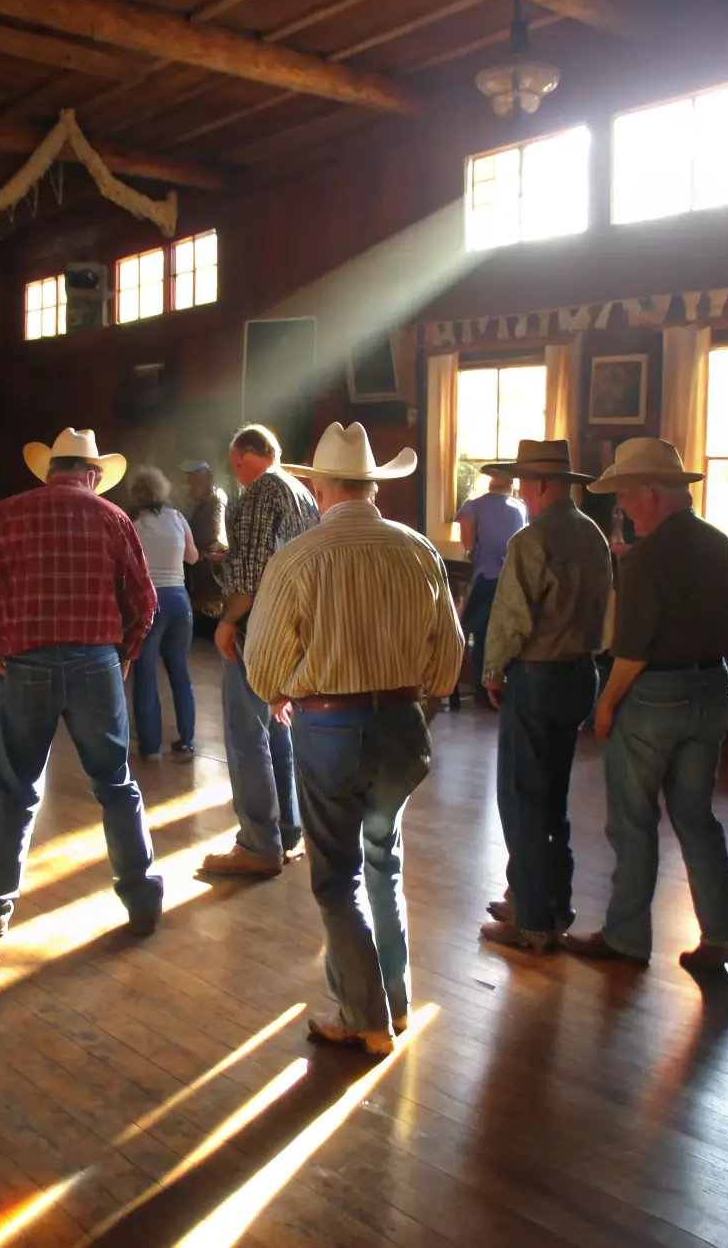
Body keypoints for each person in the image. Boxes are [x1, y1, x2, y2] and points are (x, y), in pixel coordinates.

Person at [246, 422, 463, 1057]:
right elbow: (448, 659)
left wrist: (285, 689)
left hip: (330, 729)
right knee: (384, 867)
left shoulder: (300, 557)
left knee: (335, 880)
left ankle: (364, 1016)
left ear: (323, 489)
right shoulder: (419, 550)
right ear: (372, 487)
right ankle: (393, 1002)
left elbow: (262, 664)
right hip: (402, 730)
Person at [0, 428, 163, 938]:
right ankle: (141, 898)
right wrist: (122, 654)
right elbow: (145, 602)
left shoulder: (2, 516)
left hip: (26, 665)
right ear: (94, 474)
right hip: (96, 664)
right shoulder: (113, 518)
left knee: (13, 789)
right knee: (115, 785)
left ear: (49, 471)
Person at [565, 438, 728, 972]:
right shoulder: (722, 545)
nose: (621, 507)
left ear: (650, 493)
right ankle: (723, 932)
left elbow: (632, 652)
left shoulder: (647, 558)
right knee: (696, 817)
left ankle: (626, 937)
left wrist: (606, 704)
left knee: (632, 820)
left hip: (654, 699)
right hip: (713, 692)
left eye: (625, 495)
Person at [478, 439, 612, 954]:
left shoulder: (531, 540)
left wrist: (492, 670)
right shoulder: (593, 534)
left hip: (537, 676)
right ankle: (552, 901)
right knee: (553, 795)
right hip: (582, 674)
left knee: (521, 798)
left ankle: (531, 920)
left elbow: (512, 616)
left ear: (536, 486)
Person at [200, 424, 319, 878]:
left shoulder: (259, 492)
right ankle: (288, 831)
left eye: (236, 464)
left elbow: (250, 576)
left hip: (259, 630)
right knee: (277, 729)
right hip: (297, 628)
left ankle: (257, 842)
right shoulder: (301, 492)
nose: (236, 475)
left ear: (249, 456)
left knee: (246, 736)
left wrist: (228, 622)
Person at [128, 466, 199, 761]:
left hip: (149, 603)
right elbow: (193, 558)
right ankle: (187, 740)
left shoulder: (133, 524)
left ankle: (150, 746)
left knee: (144, 674)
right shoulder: (178, 518)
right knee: (180, 671)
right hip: (180, 600)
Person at [456, 477, 527, 705]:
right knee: (498, 635)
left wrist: (474, 553)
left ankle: (466, 689)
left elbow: (467, 543)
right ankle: (494, 690)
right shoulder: (521, 508)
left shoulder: (473, 505)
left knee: (465, 631)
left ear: (490, 483)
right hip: (514, 581)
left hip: (486, 577)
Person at [181, 459, 228, 638]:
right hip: (201, 579)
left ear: (206, 480)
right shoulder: (201, 505)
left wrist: (198, 555)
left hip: (212, 579)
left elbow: (218, 540)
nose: (189, 487)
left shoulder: (216, 500)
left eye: (193, 482)